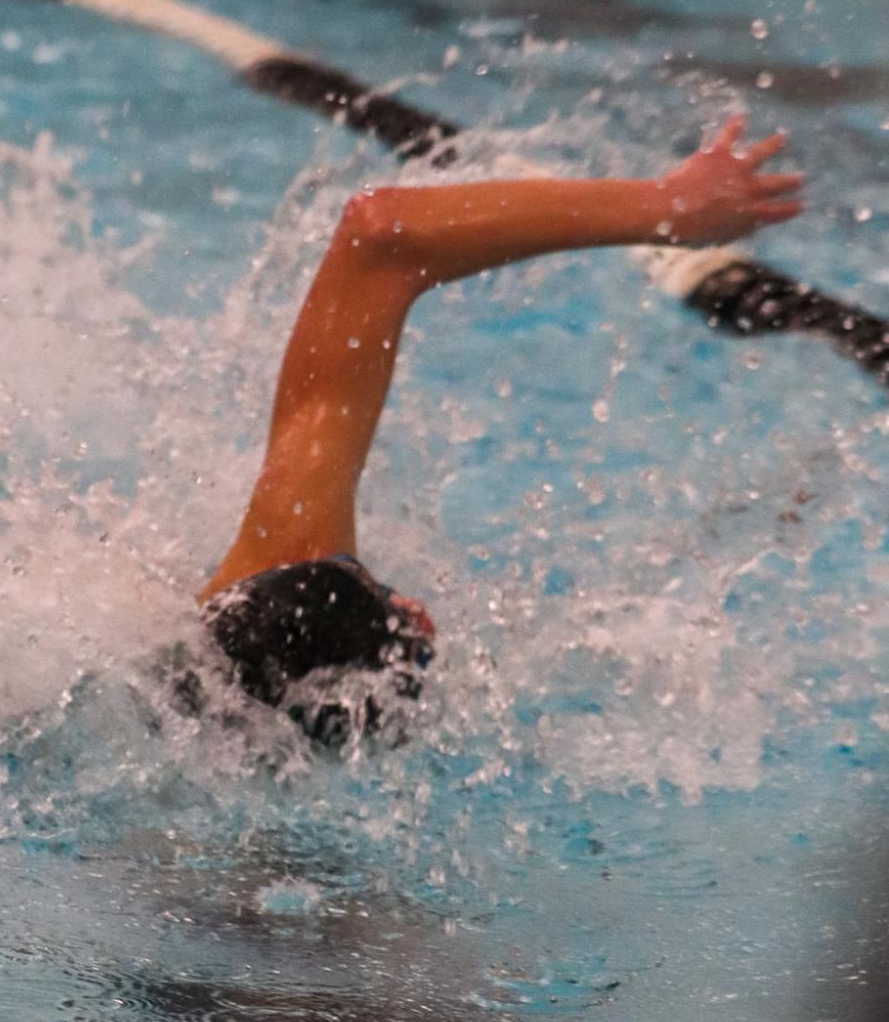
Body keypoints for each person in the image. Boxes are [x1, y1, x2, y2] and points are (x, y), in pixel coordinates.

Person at [196, 114, 803, 741]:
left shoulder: (239, 611)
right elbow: (380, 230)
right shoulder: (272, 571)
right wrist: (663, 205)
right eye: (389, 609)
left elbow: (380, 238)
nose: (415, 610)